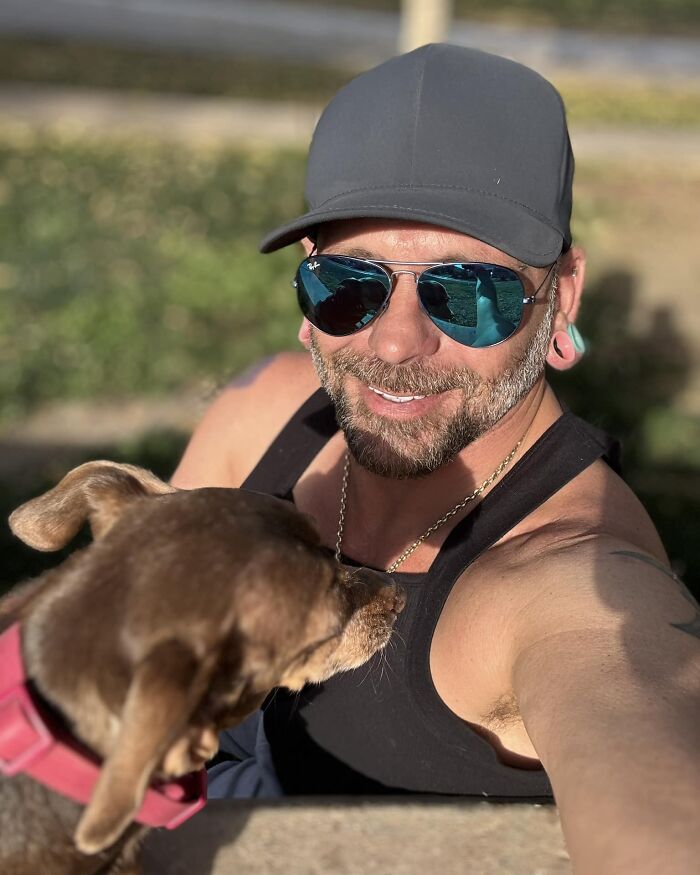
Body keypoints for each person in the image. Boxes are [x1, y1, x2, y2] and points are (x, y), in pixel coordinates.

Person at [171, 45, 699, 874]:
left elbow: (651, 775)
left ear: (559, 297)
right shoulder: (261, 416)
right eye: (349, 283)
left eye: (468, 293)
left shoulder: (568, 580)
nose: (395, 340)